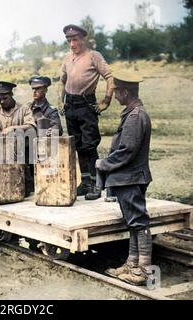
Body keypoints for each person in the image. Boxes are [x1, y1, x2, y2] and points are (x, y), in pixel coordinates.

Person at [96, 70, 153, 286]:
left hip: (130, 178)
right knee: (133, 223)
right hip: (129, 177)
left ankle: (143, 271)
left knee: (138, 222)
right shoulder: (133, 113)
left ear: (125, 92)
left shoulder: (135, 116)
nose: (115, 96)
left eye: (116, 91)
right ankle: (133, 264)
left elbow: (127, 151)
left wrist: (103, 164)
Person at [60, 24, 114, 200]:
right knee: (77, 146)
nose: (72, 44)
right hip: (71, 106)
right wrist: (62, 101)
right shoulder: (67, 58)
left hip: (86, 105)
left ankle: (96, 184)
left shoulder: (93, 56)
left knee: (90, 146)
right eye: (69, 40)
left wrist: (106, 100)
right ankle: (85, 182)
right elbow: (62, 80)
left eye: (75, 40)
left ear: (83, 39)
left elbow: (109, 77)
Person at [0, 81, 36, 196]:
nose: (1, 101)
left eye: (5, 98)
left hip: (22, 156)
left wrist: (13, 128)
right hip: (3, 158)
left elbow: (31, 126)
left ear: (11, 94)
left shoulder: (24, 109)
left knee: (24, 190)